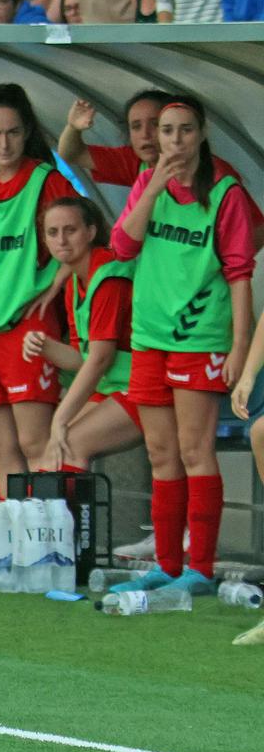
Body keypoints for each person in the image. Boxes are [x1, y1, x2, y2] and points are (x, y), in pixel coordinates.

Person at [106, 96, 259, 598]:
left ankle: (201, 566)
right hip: (150, 338)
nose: (174, 141)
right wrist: (152, 185)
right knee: (160, 453)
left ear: (201, 132)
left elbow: (240, 275)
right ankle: (167, 566)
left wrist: (239, 347)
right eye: (166, 132)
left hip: (200, 339)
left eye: (183, 131)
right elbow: (123, 247)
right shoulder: (147, 185)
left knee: (195, 451)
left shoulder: (226, 193)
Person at [0, 84, 78, 501]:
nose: (4, 143)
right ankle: (17, 547)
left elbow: (81, 239)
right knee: (3, 448)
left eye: (13, 133)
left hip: (26, 325)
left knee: (35, 443)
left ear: (27, 133)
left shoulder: (47, 180)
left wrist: (56, 281)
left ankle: (55, 543)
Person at [22, 195, 142, 475]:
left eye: (70, 230)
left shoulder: (108, 275)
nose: (61, 239)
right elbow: (81, 359)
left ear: (90, 232)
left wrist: (59, 420)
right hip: (112, 387)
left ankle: (67, 521)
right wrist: (46, 347)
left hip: (143, 387)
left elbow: (100, 359)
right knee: (47, 454)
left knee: (68, 444)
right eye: (53, 232)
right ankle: (44, 520)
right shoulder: (75, 280)